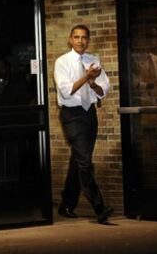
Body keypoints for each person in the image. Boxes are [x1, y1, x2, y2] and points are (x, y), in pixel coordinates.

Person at [54, 24, 114, 224]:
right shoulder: (62, 62)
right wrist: (86, 77)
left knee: (79, 160)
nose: (81, 41)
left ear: (88, 40)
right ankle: (99, 206)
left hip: (89, 114)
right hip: (72, 115)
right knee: (85, 162)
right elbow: (65, 91)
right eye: (77, 37)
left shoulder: (93, 60)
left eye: (84, 37)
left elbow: (104, 90)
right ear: (70, 39)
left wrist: (93, 83)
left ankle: (66, 204)